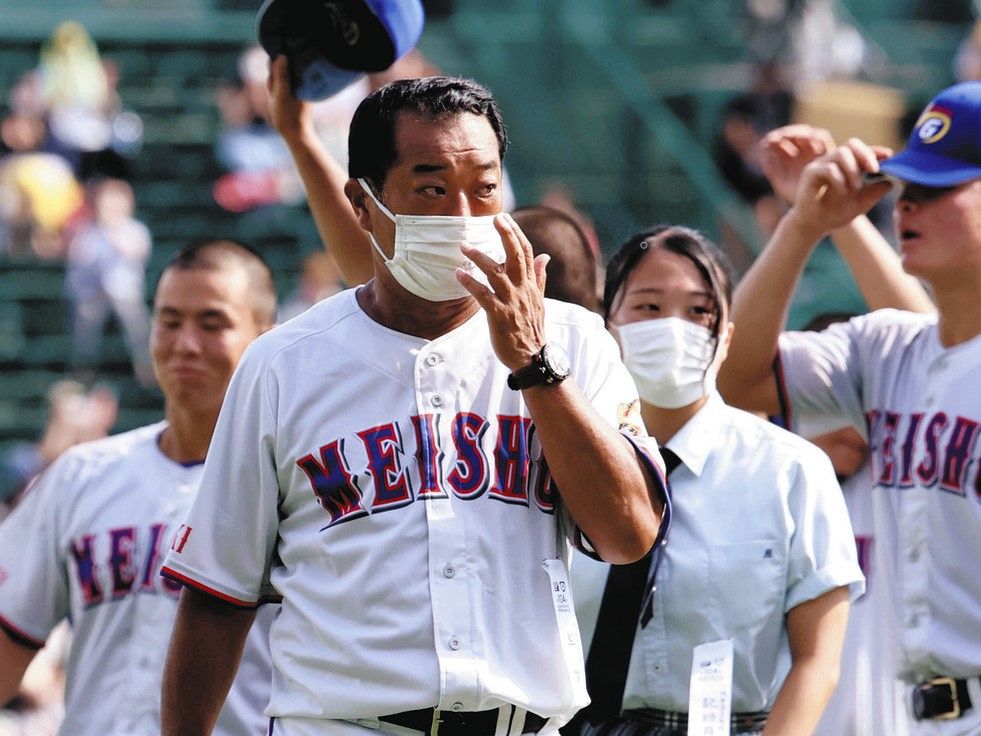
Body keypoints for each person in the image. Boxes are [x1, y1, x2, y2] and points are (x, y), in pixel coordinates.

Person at [159, 74, 666, 736]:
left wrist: (535, 367)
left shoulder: (572, 341)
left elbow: (628, 534)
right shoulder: (282, 363)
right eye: (431, 188)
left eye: (483, 188)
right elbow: (216, 597)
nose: (462, 216)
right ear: (364, 204)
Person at [718, 82, 981, 735]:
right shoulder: (886, 348)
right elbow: (732, 381)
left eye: (940, 187)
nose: (908, 202)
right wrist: (805, 224)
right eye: (905, 186)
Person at [566, 225, 864, 736]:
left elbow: (818, 662)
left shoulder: (791, 469)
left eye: (700, 310)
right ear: (607, 322)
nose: (673, 328)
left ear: (727, 332)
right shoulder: (561, 457)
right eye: (648, 306)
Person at [0, 239, 277, 736]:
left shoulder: (297, 487)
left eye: (212, 324)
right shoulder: (81, 475)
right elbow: (8, 641)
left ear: (266, 338)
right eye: (169, 321)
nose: (185, 344)